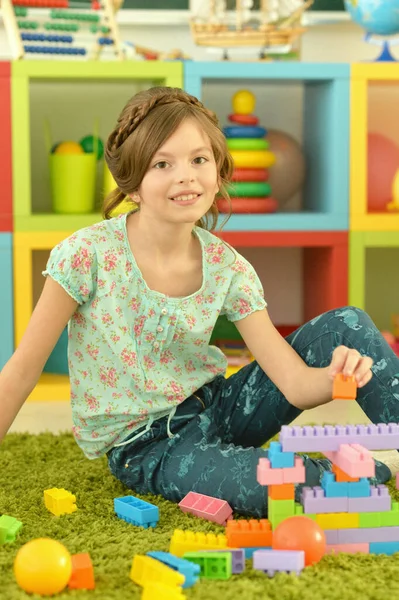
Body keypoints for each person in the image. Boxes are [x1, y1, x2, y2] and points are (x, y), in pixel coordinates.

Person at [1, 86, 399, 518]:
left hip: (221, 408)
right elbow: (24, 368)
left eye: (198, 159)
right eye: (162, 164)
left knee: (349, 323)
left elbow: (296, 385)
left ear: (218, 170)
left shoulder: (228, 267)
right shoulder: (86, 256)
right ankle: (353, 472)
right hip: (148, 445)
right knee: (282, 486)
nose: (186, 176)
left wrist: (335, 377)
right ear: (130, 185)